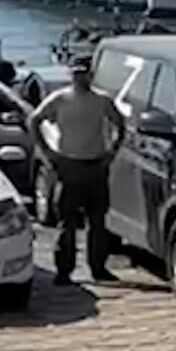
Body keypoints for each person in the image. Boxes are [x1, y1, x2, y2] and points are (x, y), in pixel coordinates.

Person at [29, 59, 126, 286]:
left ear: (90, 75)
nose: (80, 77)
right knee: (67, 223)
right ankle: (64, 271)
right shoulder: (59, 99)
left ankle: (98, 268)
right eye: (76, 73)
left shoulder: (101, 100)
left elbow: (120, 124)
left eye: (84, 73)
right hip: (68, 167)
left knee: (98, 222)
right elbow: (35, 120)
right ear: (70, 75)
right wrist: (48, 154)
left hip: (95, 166)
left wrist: (111, 153)